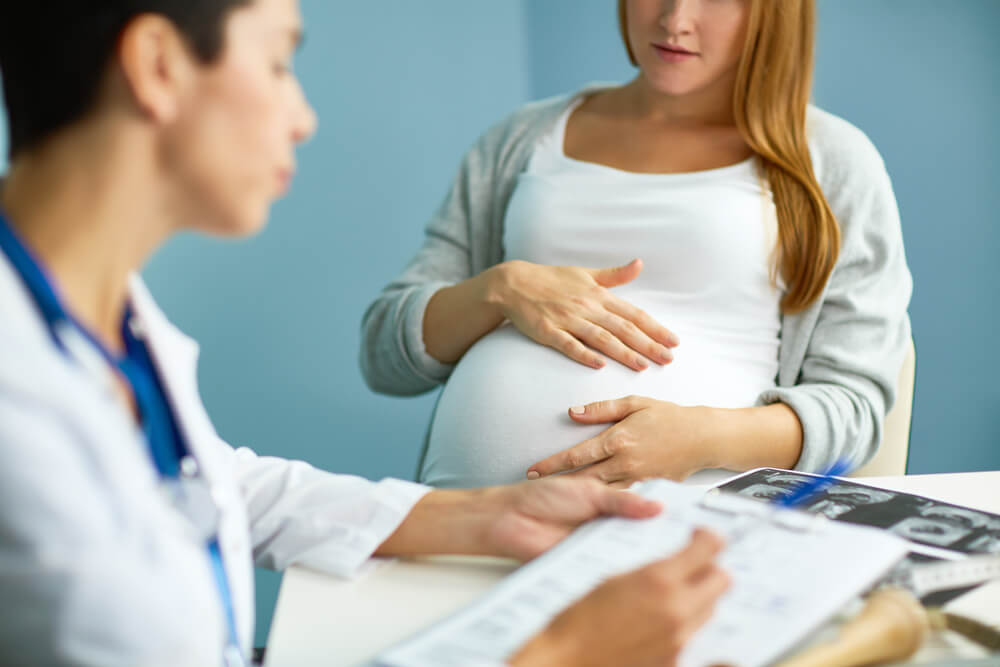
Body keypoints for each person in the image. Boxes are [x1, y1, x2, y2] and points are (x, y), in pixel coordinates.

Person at [0, 1, 729, 665]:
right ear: (157, 66)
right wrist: (565, 654)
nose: (302, 117)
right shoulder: (17, 397)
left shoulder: (97, 304)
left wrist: (482, 516)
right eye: (279, 62)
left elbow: (206, 483)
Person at [361, 0, 913, 490]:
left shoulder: (832, 161)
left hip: (688, 549)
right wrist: (499, 289)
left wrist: (703, 437)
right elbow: (383, 355)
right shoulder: (521, 138)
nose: (676, 19)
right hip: (466, 534)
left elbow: (854, 410)